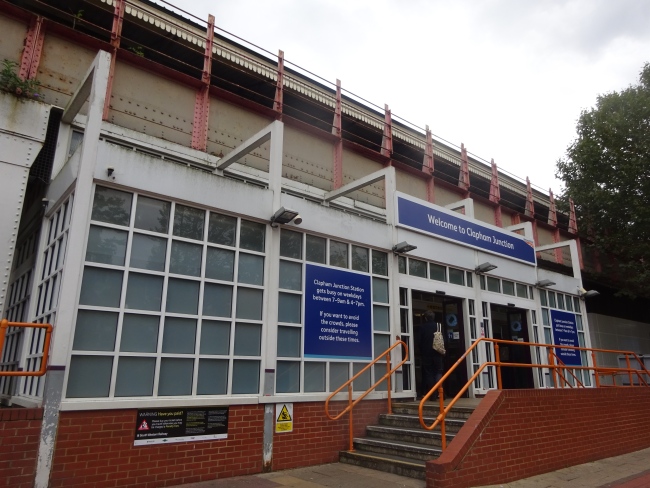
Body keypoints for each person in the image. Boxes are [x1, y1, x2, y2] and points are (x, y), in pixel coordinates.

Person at [419, 310, 445, 400]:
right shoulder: (438, 326)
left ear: (425, 318)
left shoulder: (422, 327)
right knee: (438, 372)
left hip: (426, 353)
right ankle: (440, 393)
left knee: (428, 373)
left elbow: (419, 341)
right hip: (438, 352)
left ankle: (432, 394)